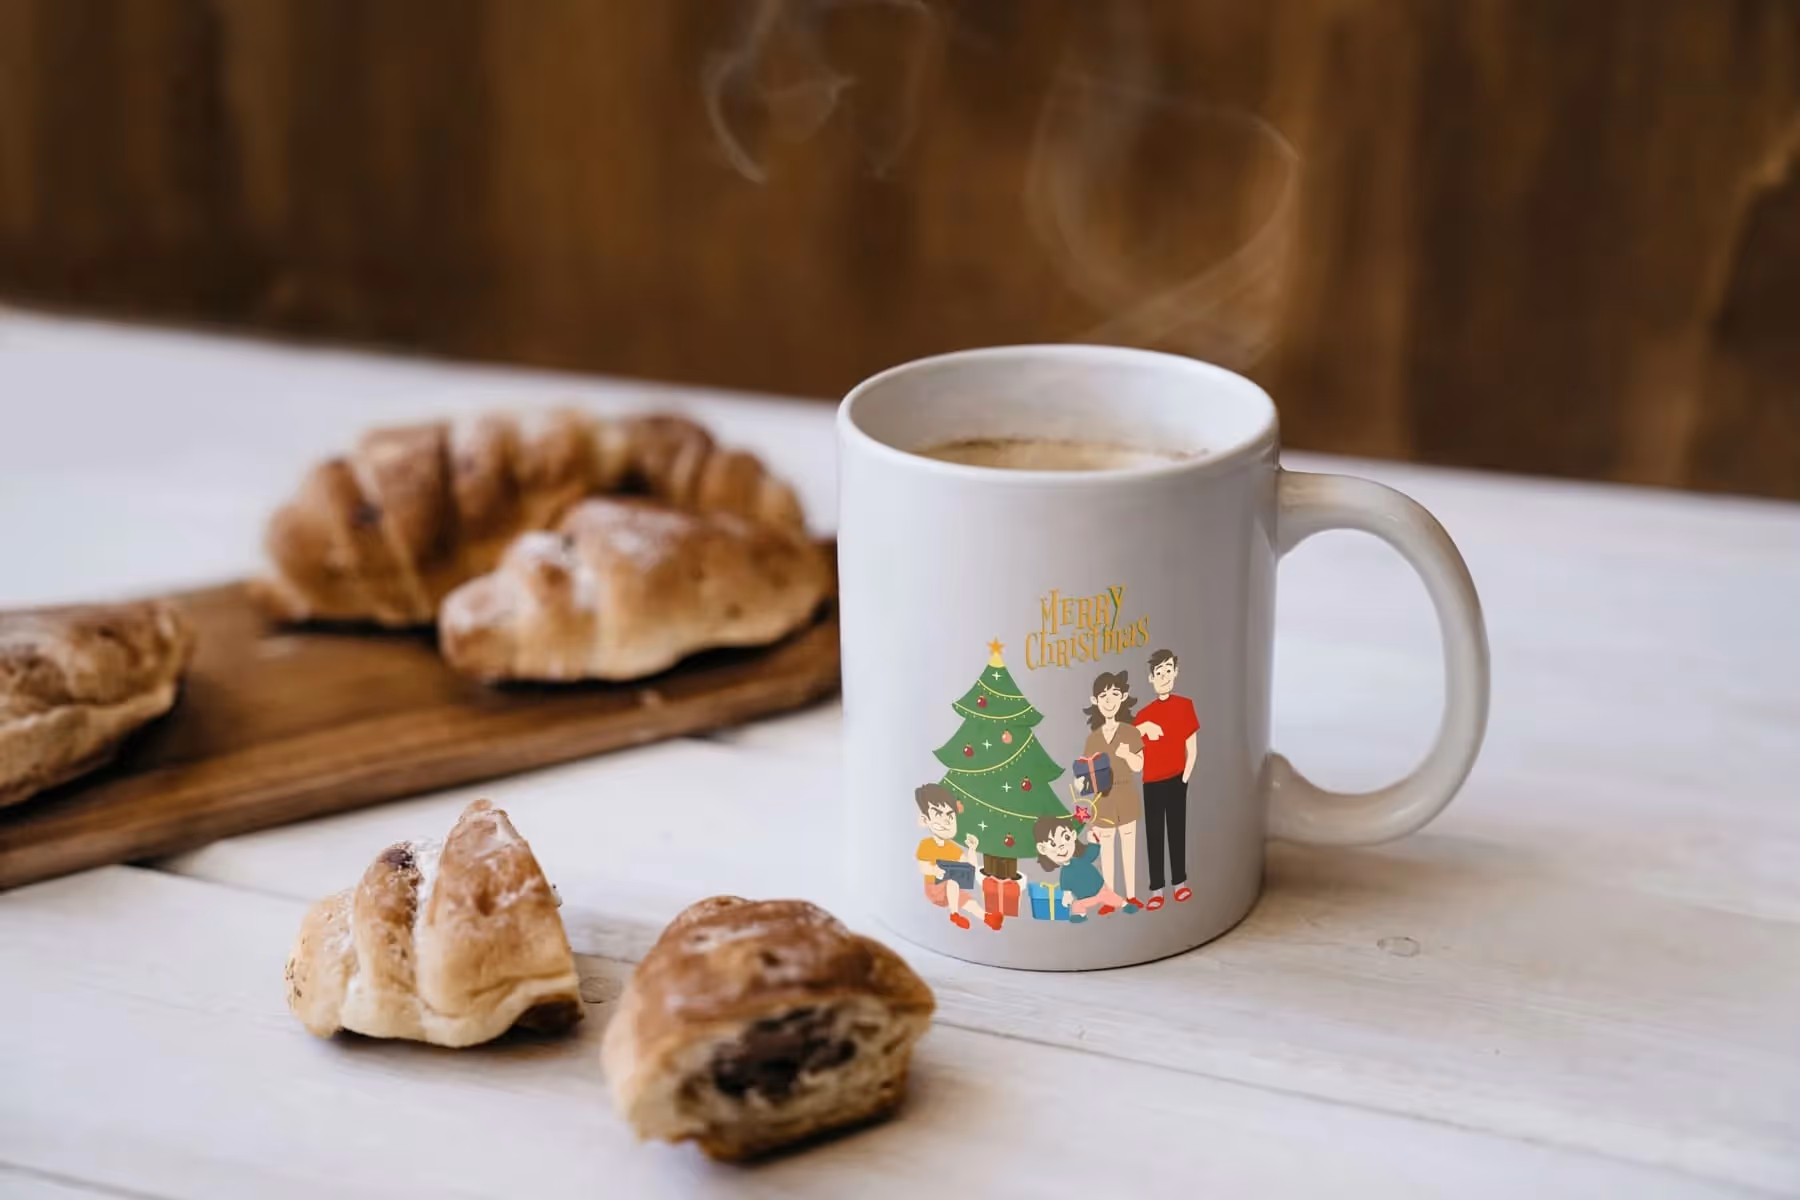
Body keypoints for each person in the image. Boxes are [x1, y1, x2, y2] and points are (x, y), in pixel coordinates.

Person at [1074, 670, 1146, 913]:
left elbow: (1140, 765)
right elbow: (1087, 774)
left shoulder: (1130, 732)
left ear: (1123, 697)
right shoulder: (1093, 738)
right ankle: (1110, 897)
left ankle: (1132, 895)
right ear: (1095, 701)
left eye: (1114, 694)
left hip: (1126, 794)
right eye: (1103, 695)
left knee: (1128, 845)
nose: (1109, 700)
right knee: (1106, 850)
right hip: (1102, 798)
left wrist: (1128, 755)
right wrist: (1080, 785)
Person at [1133, 649, 1199, 909]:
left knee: (1177, 830)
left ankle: (1179, 883)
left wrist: (1185, 776)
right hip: (1151, 782)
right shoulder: (1144, 715)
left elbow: (1191, 746)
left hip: (1176, 780)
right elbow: (1130, 747)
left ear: (1176, 672)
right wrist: (1142, 728)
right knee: (1154, 834)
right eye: (1158, 673)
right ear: (1151, 678)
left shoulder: (1184, 706)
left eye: (1168, 671)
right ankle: (1157, 889)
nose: (1164, 677)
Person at [913, 784, 988, 929]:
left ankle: (987, 917)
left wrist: (972, 849)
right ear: (924, 820)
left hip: (951, 891)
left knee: (968, 901)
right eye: (938, 815)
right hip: (934, 888)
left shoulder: (953, 849)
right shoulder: (926, 844)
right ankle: (954, 914)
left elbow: (970, 867)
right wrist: (935, 871)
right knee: (953, 883)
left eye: (949, 816)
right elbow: (923, 867)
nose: (946, 821)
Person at [1031, 814, 1110, 923]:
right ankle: (1081, 915)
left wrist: (1094, 841)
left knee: (1111, 898)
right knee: (1078, 905)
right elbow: (1066, 886)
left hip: (1100, 888)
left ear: (1073, 835)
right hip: (1085, 897)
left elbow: (1091, 854)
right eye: (1053, 844)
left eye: (1066, 837)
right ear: (1042, 849)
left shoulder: (1080, 860)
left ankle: (1124, 904)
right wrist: (1067, 896)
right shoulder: (1065, 872)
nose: (1061, 847)